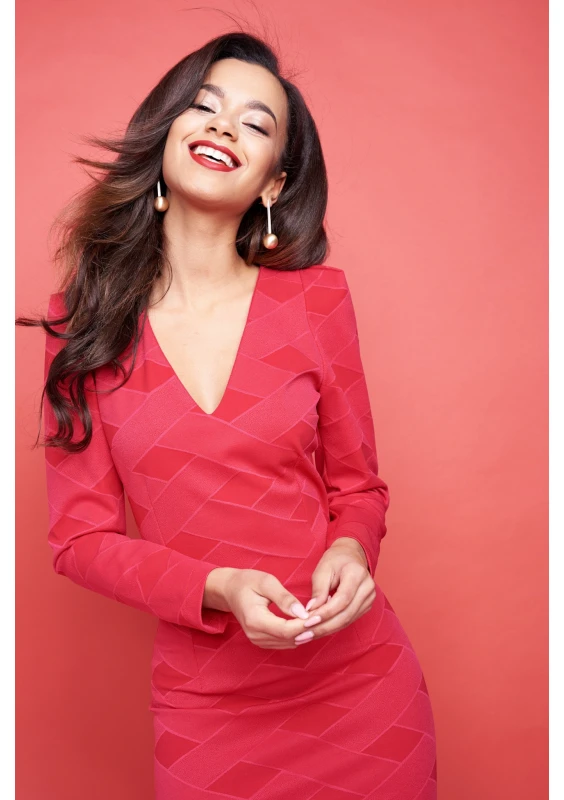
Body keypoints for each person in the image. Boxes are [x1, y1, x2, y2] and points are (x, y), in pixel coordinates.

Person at [25, 31, 437, 799]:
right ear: (166, 134)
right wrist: (216, 585)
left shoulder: (316, 302)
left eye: (254, 122)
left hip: (360, 692)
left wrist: (353, 551)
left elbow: (358, 488)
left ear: (273, 181)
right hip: (206, 707)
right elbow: (78, 541)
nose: (223, 125)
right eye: (204, 106)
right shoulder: (84, 327)